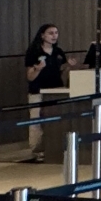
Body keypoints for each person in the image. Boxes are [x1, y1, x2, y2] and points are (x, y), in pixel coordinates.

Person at [23, 23, 71, 164]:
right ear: (42, 35)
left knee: (55, 121)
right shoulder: (34, 51)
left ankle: (55, 148)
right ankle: (37, 151)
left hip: (56, 90)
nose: (54, 36)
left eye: (56, 33)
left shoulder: (58, 52)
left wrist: (68, 66)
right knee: (36, 122)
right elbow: (30, 76)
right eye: (51, 33)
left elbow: (60, 70)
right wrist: (38, 69)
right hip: (38, 91)